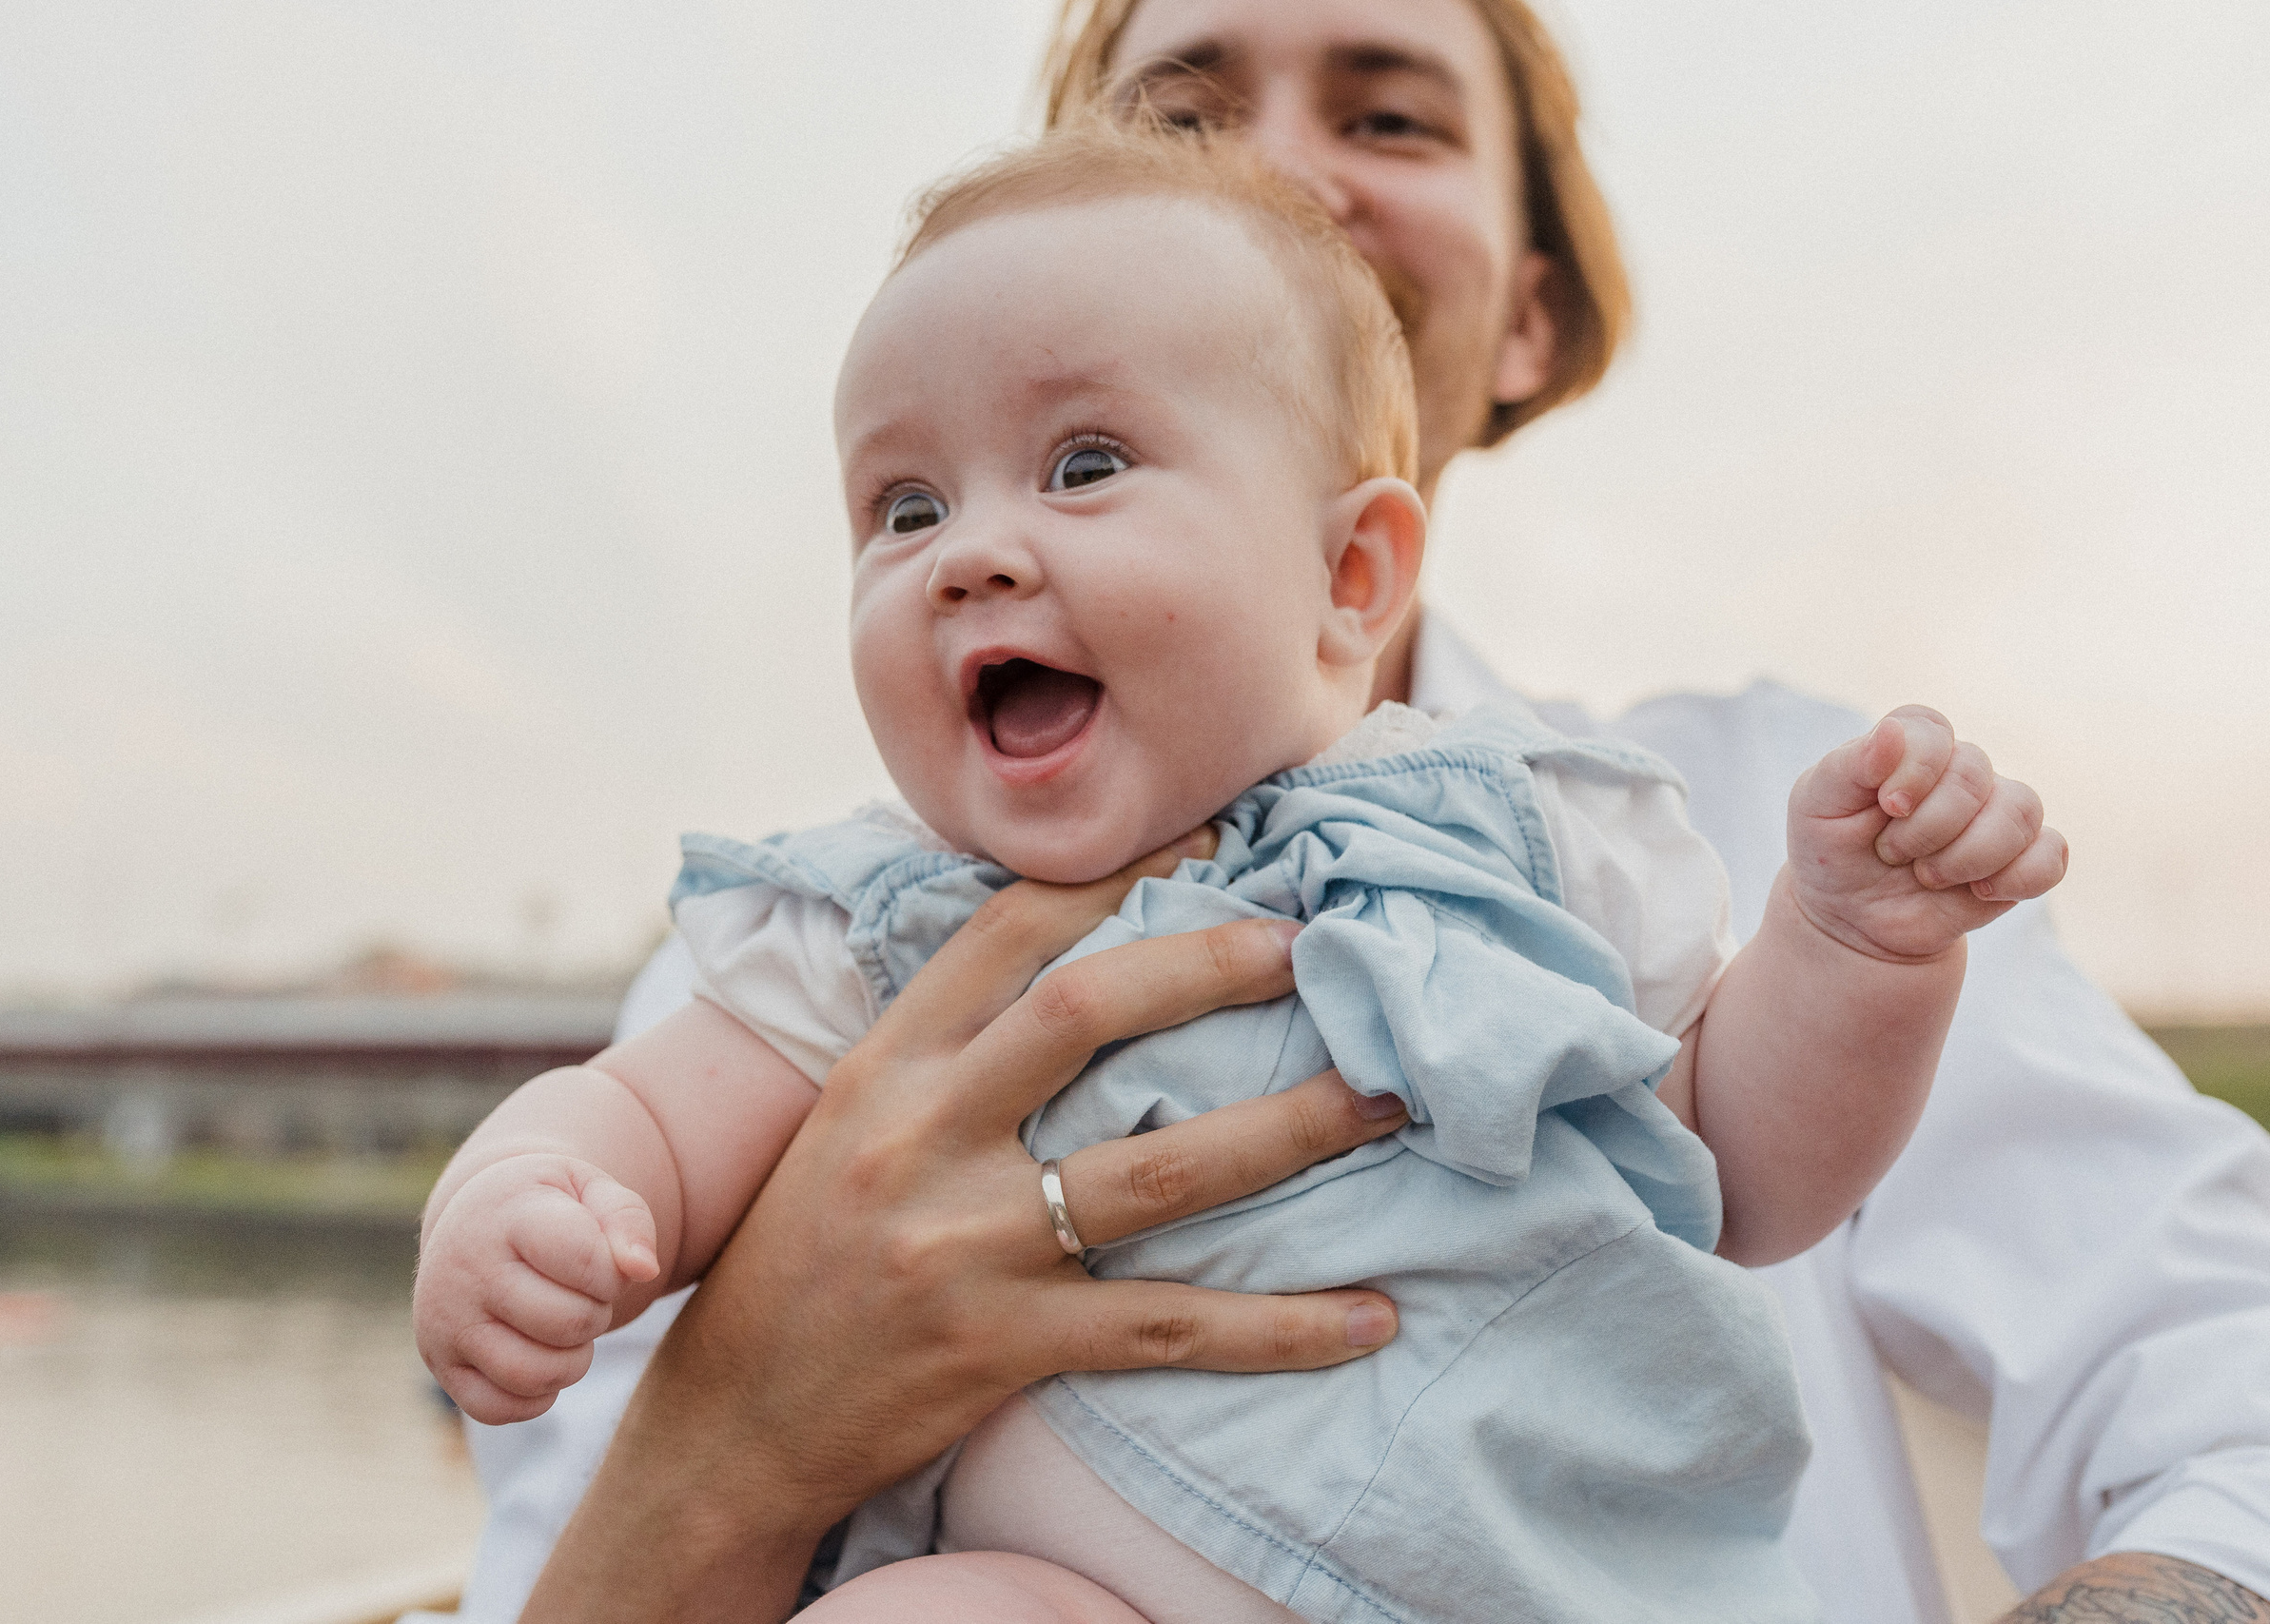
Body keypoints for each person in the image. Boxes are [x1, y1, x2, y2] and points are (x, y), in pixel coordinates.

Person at [448, 4, 2270, 1621]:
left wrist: (1854, 945)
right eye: (905, 509)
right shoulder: (841, 931)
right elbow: (622, 1139)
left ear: (1525, 320)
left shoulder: (1645, 832)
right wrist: (582, 1239)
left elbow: (1750, 1170)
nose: (1281, 167)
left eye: (1390, 115)